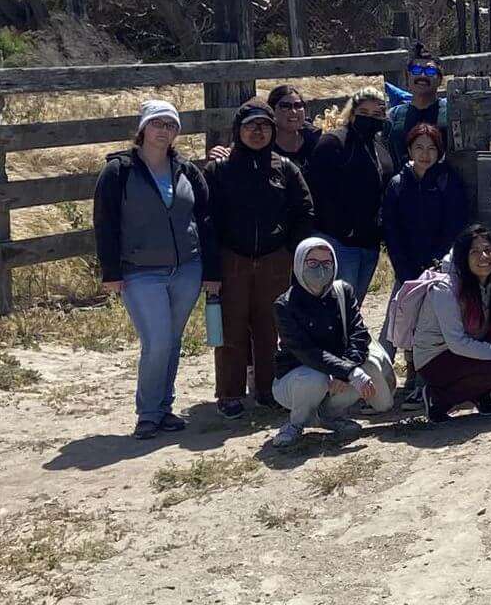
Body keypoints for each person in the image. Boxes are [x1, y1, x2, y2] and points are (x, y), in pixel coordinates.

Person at [92, 99, 222, 439]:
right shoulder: (118, 171)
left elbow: (206, 221)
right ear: (143, 128)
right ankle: (148, 414)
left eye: (170, 125)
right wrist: (111, 272)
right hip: (139, 271)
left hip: (187, 269)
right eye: (157, 123)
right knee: (158, 341)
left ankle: (164, 408)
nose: (163, 130)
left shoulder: (187, 170)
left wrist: (211, 271)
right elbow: (105, 223)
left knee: (172, 341)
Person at [204, 98, 314, 419]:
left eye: (264, 125)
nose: (257, 131)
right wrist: (213, 267)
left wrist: (288, 249)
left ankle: (268, 390)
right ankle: (230, 393)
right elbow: (206, 221)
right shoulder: (219, 170)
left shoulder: (284, 168)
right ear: (238, 130)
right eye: (250, 125)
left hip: (272, 261)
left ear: (272, 129)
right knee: (231, 330)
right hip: (231, 261)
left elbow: (305, 210)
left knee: (269, 328)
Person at [268, 237, 396, 449]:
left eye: (326, 263)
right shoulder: (284, 305)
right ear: (299, 264)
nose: (320, 269)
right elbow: (307, 352)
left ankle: (330, 416)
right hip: (296, 378)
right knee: (314, 378)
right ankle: (296, 423)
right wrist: (347, 371)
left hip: (337, 371)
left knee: (363, 373)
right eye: (312, 263)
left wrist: (348, 366)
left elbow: (359, 334)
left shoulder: (342, 291)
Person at [378, 122, 472, 403]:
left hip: (439, 270)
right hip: (407, 270)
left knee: (432, 327)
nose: (425, 154)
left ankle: (427, 382)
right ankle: (392, 380)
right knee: (400, 323)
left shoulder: (448, 181)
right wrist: (405, 269)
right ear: (409, 149)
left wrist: (437, 265)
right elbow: (391, 232)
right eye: (419, 147)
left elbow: (455, 226)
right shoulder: (397, 183)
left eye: (431, 148)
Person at [413, 225, 491, 421]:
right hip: (437, 357)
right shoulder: (445, 289)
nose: (483, 257)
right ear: (462, 257)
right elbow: (457, 343)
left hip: (474, 343)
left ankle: (479, 393)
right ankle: (438, 398)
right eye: (474, 252)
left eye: (487, 250)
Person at [306, 87, 397, 299]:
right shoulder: (334, 142)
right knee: (335, 306)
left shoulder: (381, 145)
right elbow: (316, 191)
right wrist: (342, 228)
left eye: (377, 114)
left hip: (369, 243)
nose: (370, 119)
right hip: (338, 242)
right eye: (363, 113)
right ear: (352, 113)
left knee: (353, 307)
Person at [386, 45, 450, 152]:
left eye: (430, 71)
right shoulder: (394, 116)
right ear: (408, 77)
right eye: (416, 70)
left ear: (440, 80)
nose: (423, 75)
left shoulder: (451, 112)